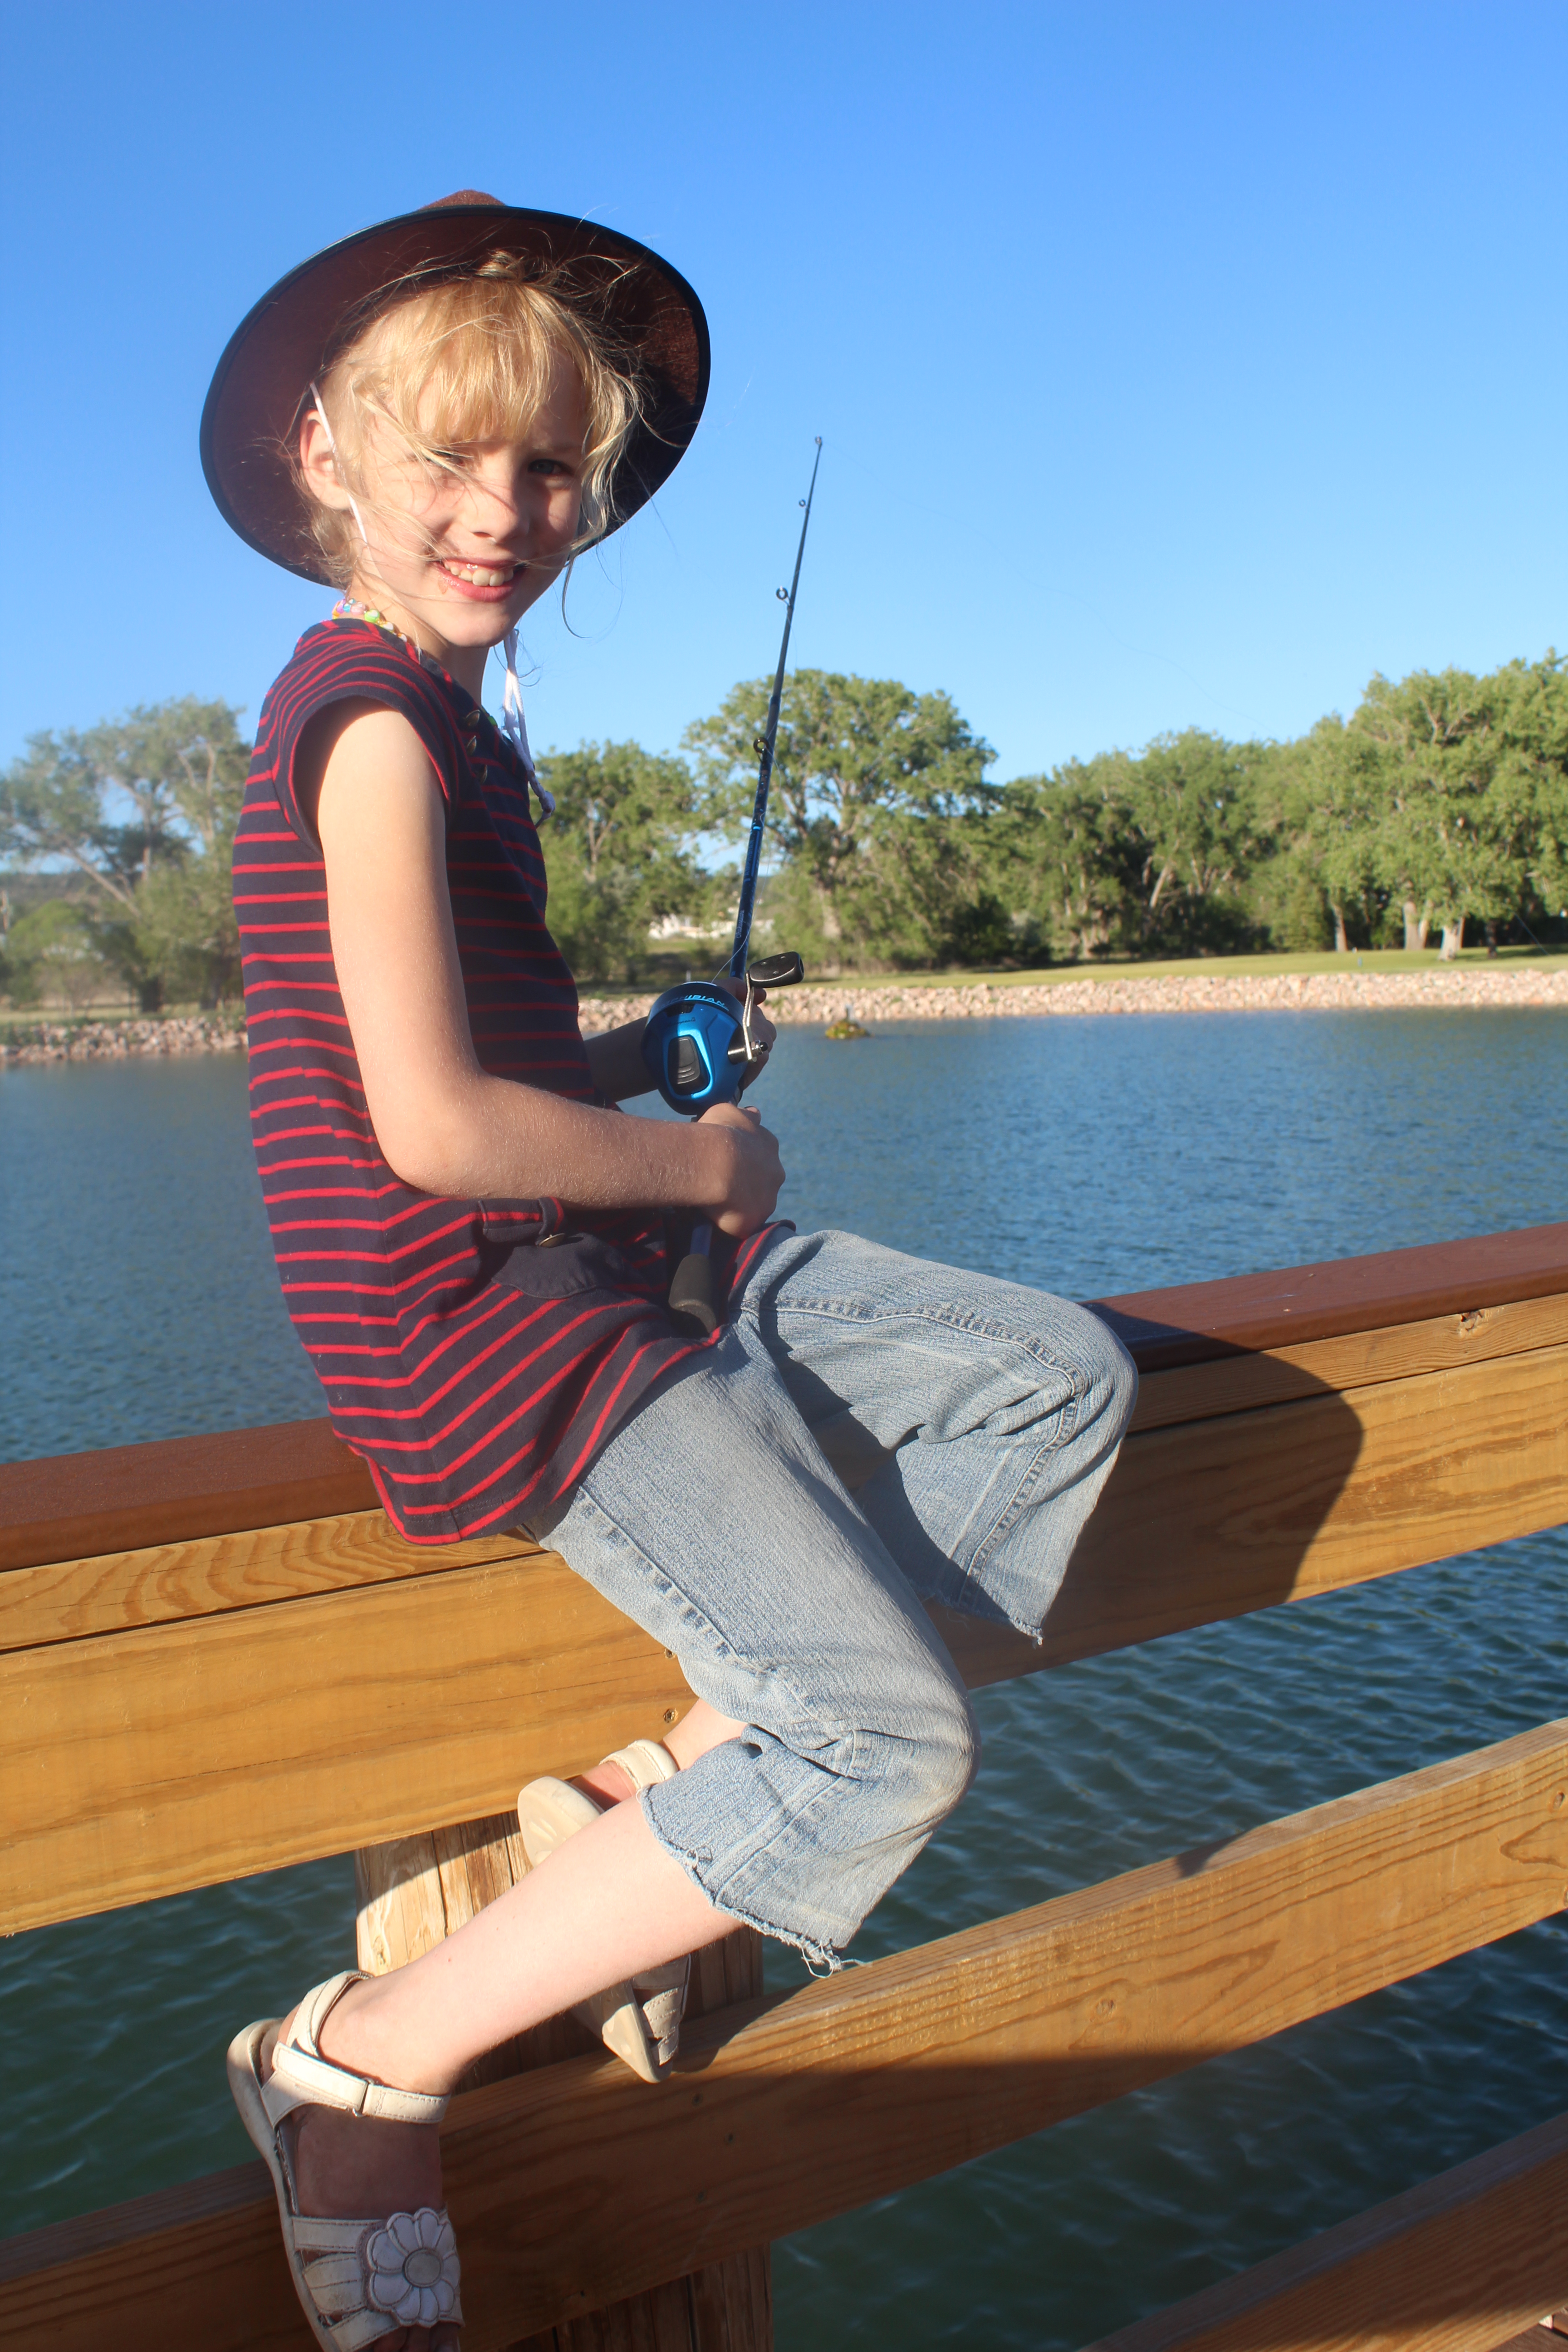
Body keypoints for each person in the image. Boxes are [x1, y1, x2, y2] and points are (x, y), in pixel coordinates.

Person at [204, 192, 1137, 2352]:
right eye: (447, 460)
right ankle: (358, 2072)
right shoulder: (361, 727)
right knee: (886, 1754)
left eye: (546, 469)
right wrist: (694, 1149)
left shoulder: (447, 732)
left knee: (1049, 1385)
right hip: (487, 1324)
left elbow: (480, 1069)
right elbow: (428, 1133)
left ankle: (660, 1794)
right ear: (324, 458)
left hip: (589, 1254)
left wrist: (644, 1070)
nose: (504, 511)